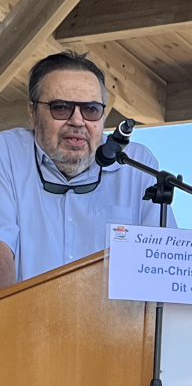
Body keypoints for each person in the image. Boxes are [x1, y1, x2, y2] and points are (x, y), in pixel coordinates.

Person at [0, 51, 176, 289]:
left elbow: (164, 264)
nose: (77, 121)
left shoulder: (136, 165)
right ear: (32, 114)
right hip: (25, 322)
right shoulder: (6, 154)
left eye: (91, 109)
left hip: (115, 326)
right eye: (60, 108)